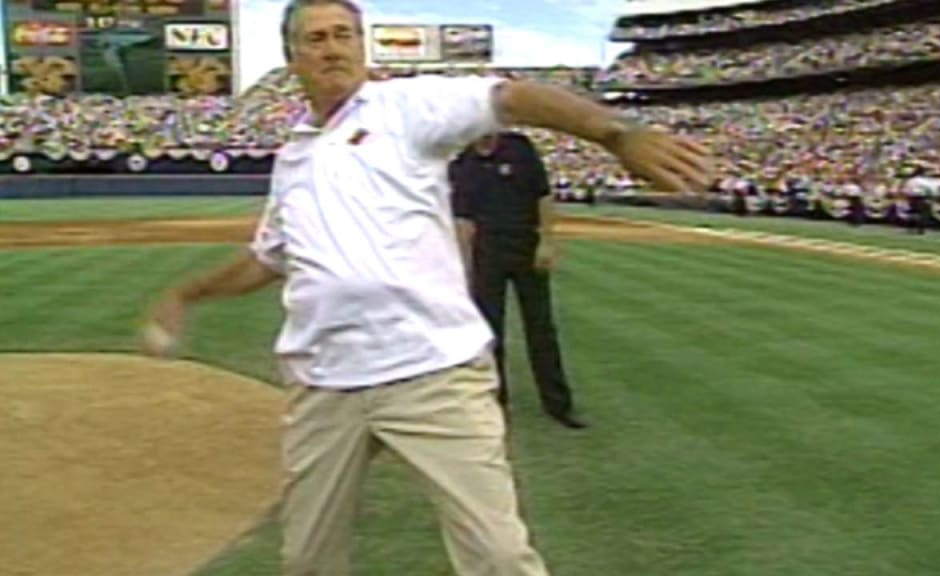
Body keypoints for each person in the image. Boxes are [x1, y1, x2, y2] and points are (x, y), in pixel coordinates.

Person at [140, 1, 714, 574]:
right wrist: (187, 293)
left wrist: (617, 131)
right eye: (316, 38)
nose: (333, 47)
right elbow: (269, 258)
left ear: (363, 46)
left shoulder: (404, 107)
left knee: (497, 557)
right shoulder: (295, 156)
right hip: (325, 385)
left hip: (431, 373)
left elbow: (507, 97)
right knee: (309, 562)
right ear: (293, 57)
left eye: (345, 34)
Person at [449, 131, 585, 429]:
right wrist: (463, 267)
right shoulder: (463, 164)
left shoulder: (519, 148)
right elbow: (464, 222)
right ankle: (496, 401)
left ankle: (558, 404)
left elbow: (542, 196)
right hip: (488, 250)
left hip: (526, 244)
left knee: (541, 327)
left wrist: (547, 242)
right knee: (489, 329)